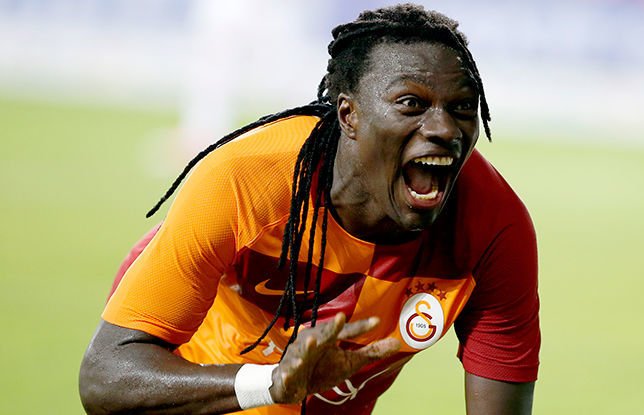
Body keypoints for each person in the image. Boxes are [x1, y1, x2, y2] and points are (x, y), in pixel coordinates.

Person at [79, 4, 540, 414]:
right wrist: (272, 384)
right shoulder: (246, 180)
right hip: (197, 394)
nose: (445, 129)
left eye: (462, 107)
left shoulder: (494, 227)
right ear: (348, 114)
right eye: (411, 104)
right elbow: (106, 377)